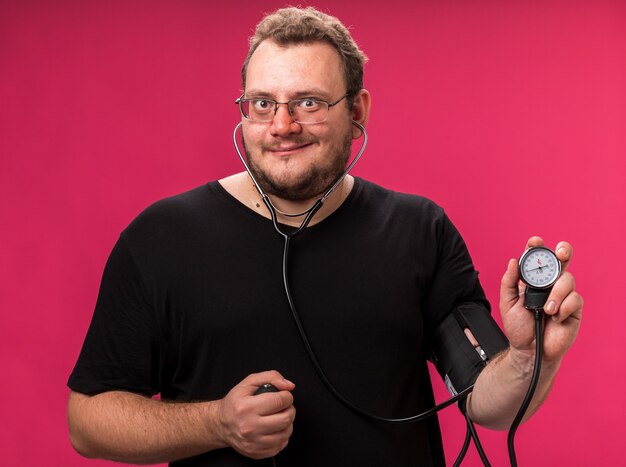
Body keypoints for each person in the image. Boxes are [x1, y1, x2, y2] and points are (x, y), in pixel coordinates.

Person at [67, 7, 583, 467]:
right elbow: (88, 421)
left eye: (308, 103)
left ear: (357, 111)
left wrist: (530, 355)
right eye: (262, 104)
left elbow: (484, 399)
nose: (282, 125)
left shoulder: (419, 231)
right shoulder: (162, 238)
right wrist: (215, 423)